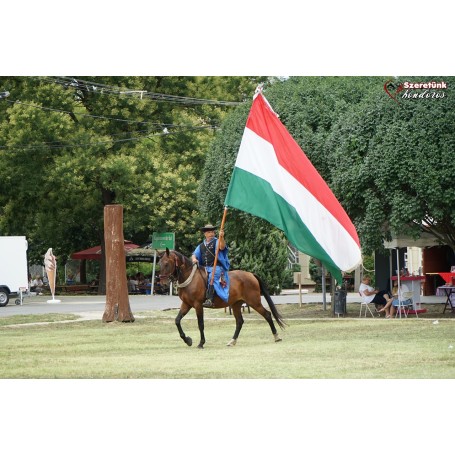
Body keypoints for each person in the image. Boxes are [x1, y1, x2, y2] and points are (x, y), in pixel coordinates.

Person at [192, 223, 230, 308]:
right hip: (205, 268)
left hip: (216, 267)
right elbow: (194, 254)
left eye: (212, 232)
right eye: (209, 232)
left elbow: (222, 247)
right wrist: (194, 259)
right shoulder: (201, 245)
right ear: (205, 234)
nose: (211, 234)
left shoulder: (217, 241)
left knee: (212, 278)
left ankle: (210, 299)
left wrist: (222, 237)